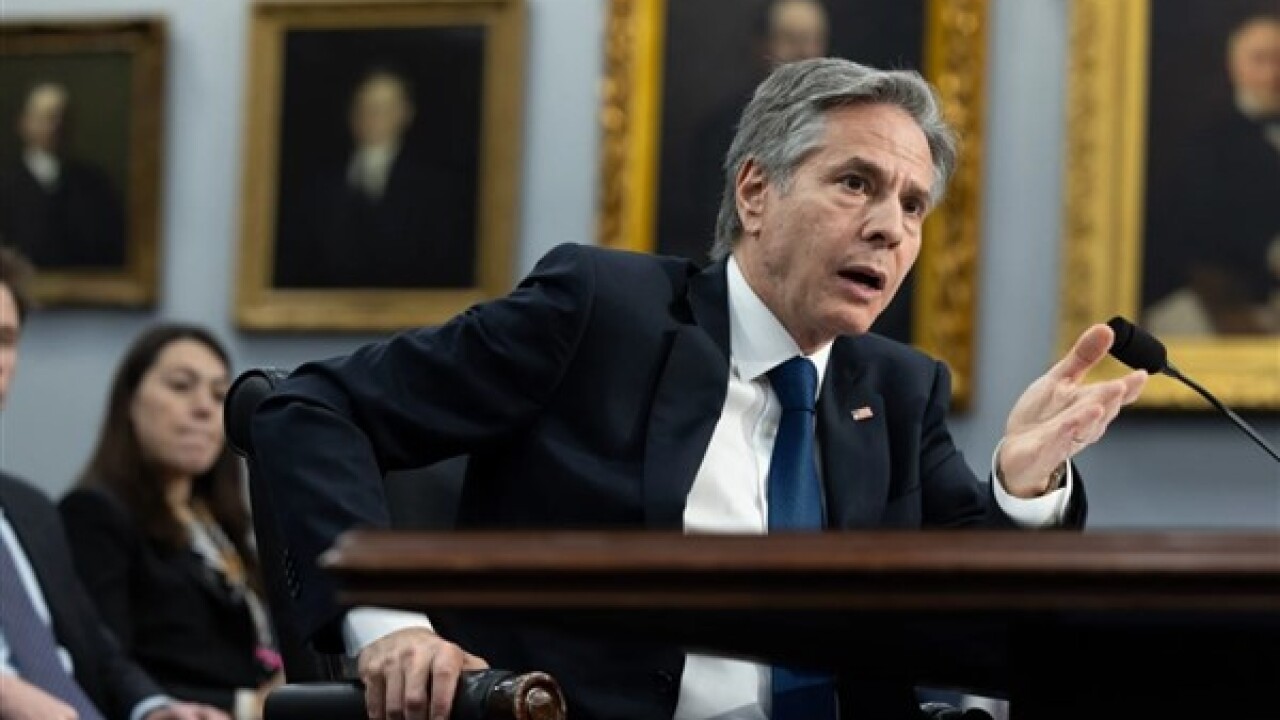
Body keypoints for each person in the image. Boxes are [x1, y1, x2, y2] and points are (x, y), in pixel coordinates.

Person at [251, 59, 1148, 720]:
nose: (890, 228)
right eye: (856, 184)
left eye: (913, 205)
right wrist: (390, 624)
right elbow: (310, 406)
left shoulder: (897, 389)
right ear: (755, 192)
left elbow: (981, 619)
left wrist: (1023, 488)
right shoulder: (602, 313)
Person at [0, 247, 225, 720]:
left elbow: (98, 650)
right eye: (181, 386)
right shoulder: (94, 512)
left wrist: (156, 709)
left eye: (4, 339)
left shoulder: (29, 510)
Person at [58, 324, 283, 720]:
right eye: (181, 386)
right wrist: (247, 705)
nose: (204, 408)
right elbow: (103, 665)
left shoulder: (220, 524)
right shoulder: (93, 515)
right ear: (130, 402)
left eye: (219, 395)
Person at [273, 67, 474, 289]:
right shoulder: (319, 186)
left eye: (383, 108)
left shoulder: (434, 188)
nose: (371, 117)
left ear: (405, 113)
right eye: (364, 107)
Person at [1143, 13, 1280, 336]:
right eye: (1260, 60)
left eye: (1279, 60)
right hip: (1231, 307)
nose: (1273, 73)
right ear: (1234, 67)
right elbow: (1198, 245)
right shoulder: (1209, 147)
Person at [0, 82, 127, 270]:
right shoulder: (5, 184)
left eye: (63, 118)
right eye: (47, 117)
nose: (56, 125)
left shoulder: (96, 184)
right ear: (24, 123)